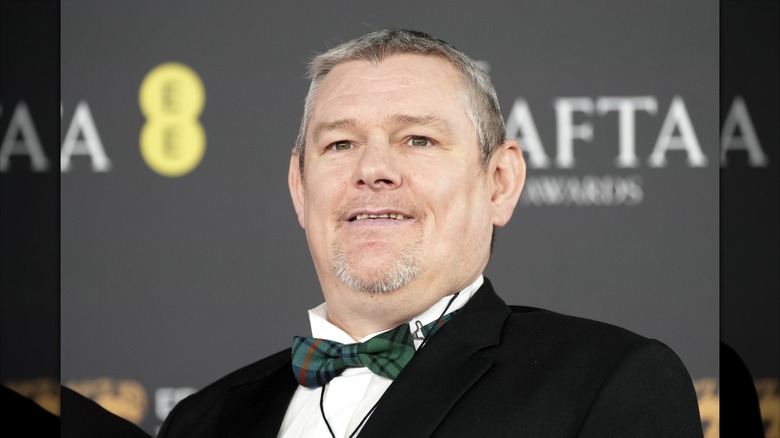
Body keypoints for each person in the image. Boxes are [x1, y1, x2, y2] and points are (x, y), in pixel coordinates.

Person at [158, 28, 703, 437]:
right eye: (340, 144)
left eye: (417, 139)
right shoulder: (201, 421)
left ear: (499, 182)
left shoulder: (608, 383)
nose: (373, 169)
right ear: (300, 189)